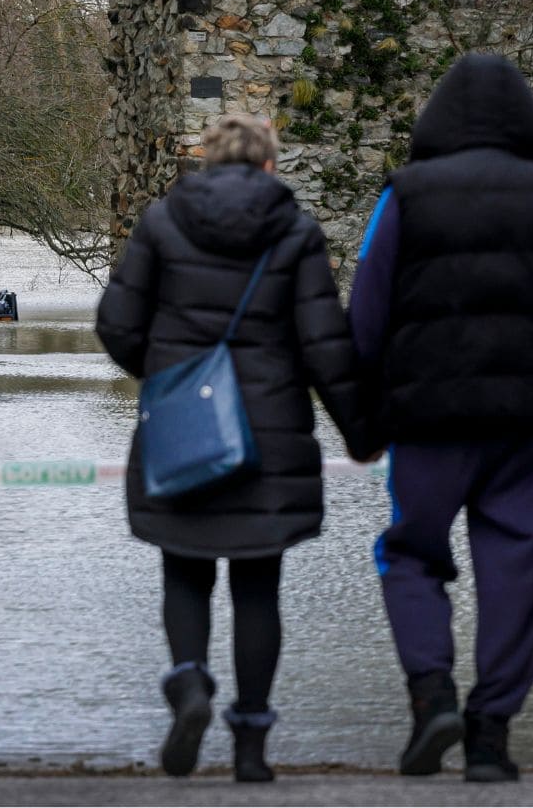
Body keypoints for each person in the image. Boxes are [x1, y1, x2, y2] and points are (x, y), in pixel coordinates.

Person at [346, 53, 533, 783]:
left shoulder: (403, 194)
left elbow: (365, 314)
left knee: (410, 556)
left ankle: (432, 693)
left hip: (427, 422)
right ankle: (490, 739)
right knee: (518, 573)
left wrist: (364, 421)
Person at [95, 114, 365, 783]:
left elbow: (116, 324)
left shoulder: (162, 222)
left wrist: (166, 376)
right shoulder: (295, 231)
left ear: (209, 160)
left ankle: (190, 684)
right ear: (270, 164)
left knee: (185, 571)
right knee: (257, 588)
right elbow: (325, 347)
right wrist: (362, 431)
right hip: (268, 436)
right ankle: (250, 749)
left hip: (183, 431)